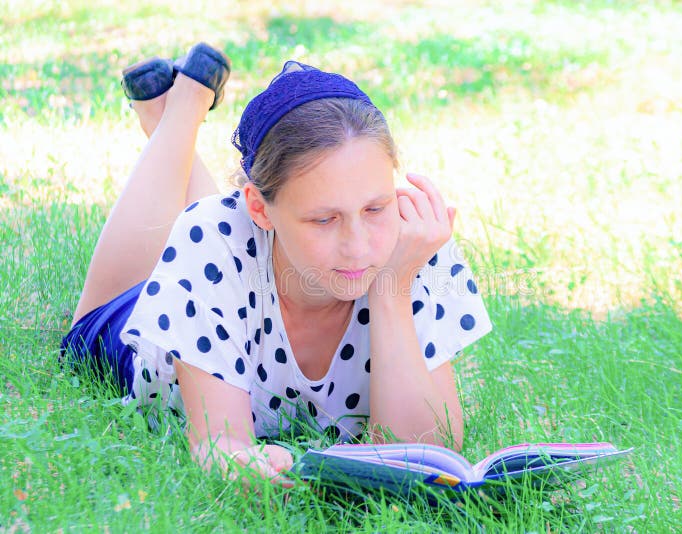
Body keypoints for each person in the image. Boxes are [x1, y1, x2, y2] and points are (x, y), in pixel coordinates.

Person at [61, 42, 492, 487]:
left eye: (376, 209)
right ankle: (179, 113)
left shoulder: (415, 244)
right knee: (193, 244)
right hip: (141, 319)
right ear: (261, 208)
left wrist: (391, 289)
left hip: (235, 265)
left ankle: (167, 120)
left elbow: (424, 451)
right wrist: (237, 463)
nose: (359, 247)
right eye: (324, 219)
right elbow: (218, 445)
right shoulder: (209, 237)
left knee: (224, 232)